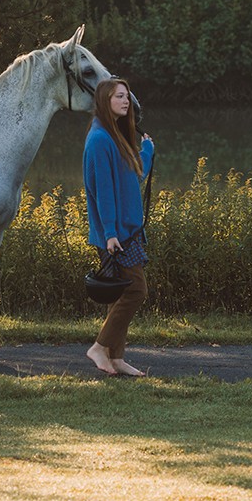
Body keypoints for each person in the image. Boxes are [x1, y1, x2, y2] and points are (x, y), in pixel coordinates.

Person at [83, 77, 155, 377]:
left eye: (127, 96)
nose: (126, 102)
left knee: (123, 293)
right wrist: (111, 233)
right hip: (117, 234)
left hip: (128, 231)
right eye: (119, 97)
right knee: (136, 291)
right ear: (104, 101)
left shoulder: (115, 136)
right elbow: (104, 192)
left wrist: (147, 151)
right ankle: (99, 347)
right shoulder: (99, 140)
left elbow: (132, 177)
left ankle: (116, 357)